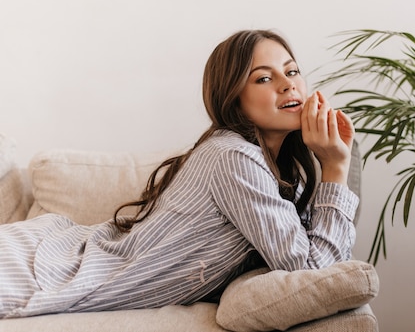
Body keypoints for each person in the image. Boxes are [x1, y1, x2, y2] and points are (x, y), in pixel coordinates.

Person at [0, 29, 359, 318]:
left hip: (52, 253)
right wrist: (334, 167)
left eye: (292, 71)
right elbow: (311, 269)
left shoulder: (276, 171)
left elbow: (322, 268)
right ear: (233, 98)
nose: (287, 84)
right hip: (39, 266)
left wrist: (329, 164)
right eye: (264, 78)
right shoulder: (233, 157)